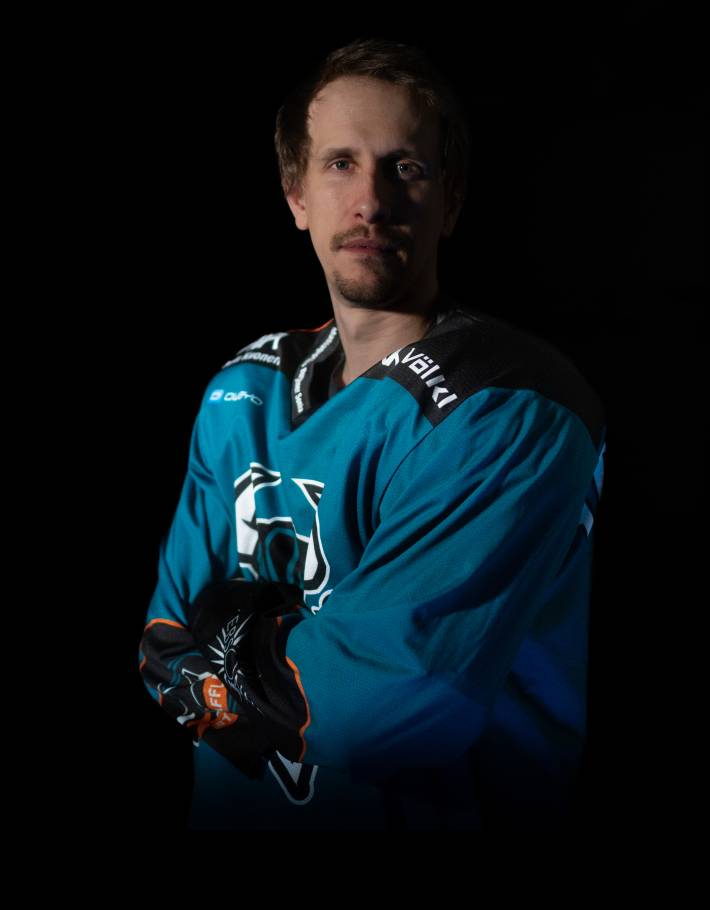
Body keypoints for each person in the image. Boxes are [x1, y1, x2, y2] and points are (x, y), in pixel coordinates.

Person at [138, 37, 607, 830]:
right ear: (296, 196)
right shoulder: (241, 393)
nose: (371, 203)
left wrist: (227, 654)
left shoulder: (511, 405)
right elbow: (161, 646)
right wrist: (293, 657)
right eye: (340, 164)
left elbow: (386, 706)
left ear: (450, 201)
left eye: (406, 168)